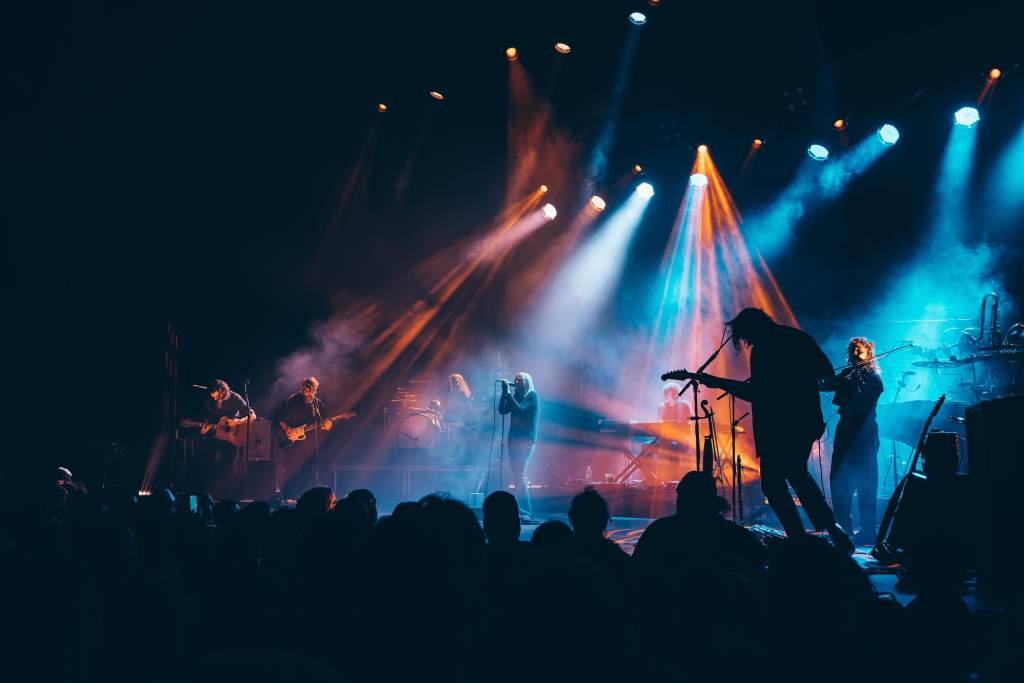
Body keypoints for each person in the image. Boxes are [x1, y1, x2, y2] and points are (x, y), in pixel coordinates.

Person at [665, 308, 854, 553]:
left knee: (774, 484)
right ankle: (831, 530)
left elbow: (758, 394)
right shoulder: (799, 338)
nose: (744, 342)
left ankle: (799, 538)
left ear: (751, 328)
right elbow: (827, 376)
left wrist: (716, 382)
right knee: (797, 474)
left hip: (778, 426)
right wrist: (798, 380)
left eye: (744, 335)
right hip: (805, 422)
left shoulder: (763, 350)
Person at [820, 337, 884, 545]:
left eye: (860, 350)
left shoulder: (874, 377)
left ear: (868, 353)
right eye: (853, 350)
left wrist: (853, 381)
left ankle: (867, 531)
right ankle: (844, 530)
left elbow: (864, 403)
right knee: (839, 481)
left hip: (864, 433)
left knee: (867, 483)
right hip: (846, 430)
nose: (856, 354)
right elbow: (826, 384)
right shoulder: (847, 374)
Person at [274, 377, 334, 497]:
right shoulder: (292, 400)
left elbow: (323, 422)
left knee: (309, 469)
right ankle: (288, 497)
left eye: (309, 386)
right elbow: (279, 418)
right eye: (305, 385)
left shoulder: (317, 403)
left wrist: (328, 425)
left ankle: (305, 497)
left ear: (314, 389)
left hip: (310, 443)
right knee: (293, 470)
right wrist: (287, 430)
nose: (305, 387)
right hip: (293, 440)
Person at [498, 372, 540, 522]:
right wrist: (504, 394)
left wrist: (508, 394)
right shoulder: (514, 396)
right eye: (515, 380)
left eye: (520, 380)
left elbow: (520, 409)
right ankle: (521, 511)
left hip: (526, 440)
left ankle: (526, 512)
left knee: (520, 474)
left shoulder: (532, 396)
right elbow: (502, 410)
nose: (516, 382)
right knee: (516, 475)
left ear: (527, 382)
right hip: (513, 439)